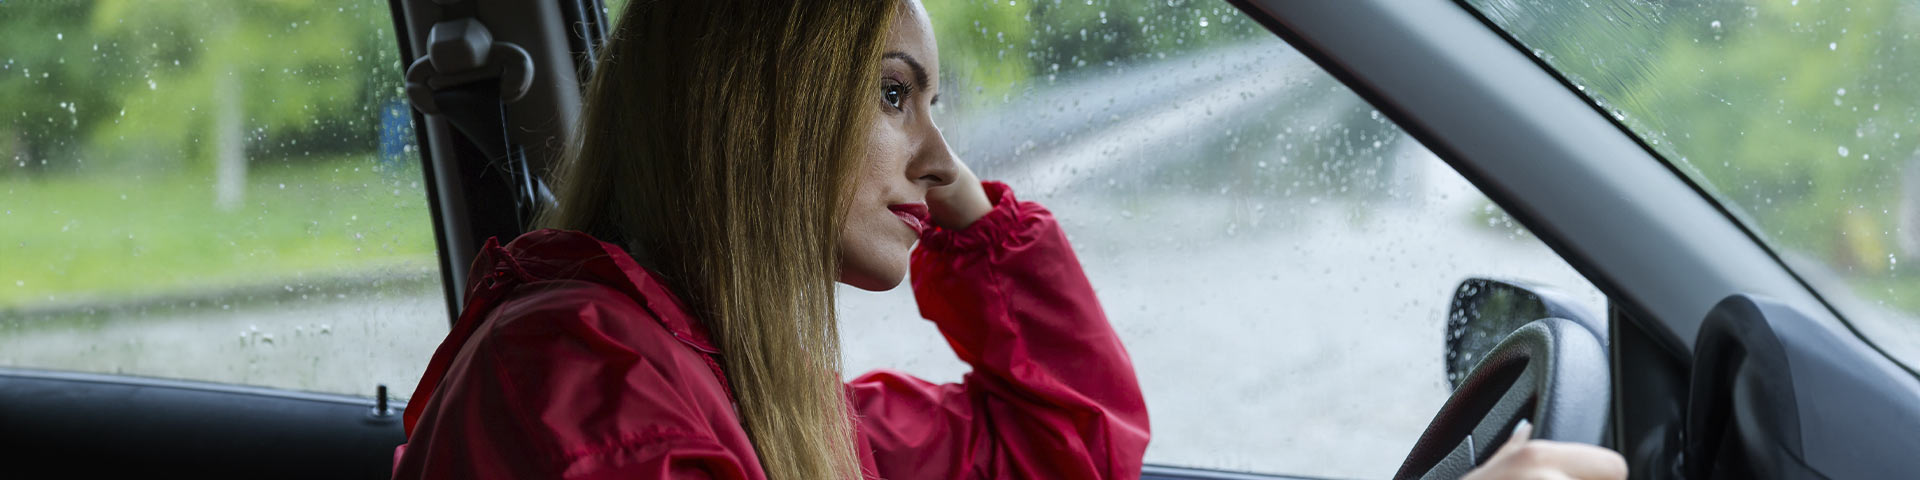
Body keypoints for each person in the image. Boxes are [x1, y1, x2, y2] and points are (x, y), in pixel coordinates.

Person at [391, 2, 1628, 479]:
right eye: (891, 95)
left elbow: (1060, 447)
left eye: (940, 104)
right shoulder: (591, 397)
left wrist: (976, 235)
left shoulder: (734, 392)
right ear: (753, 109)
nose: (944, 160)